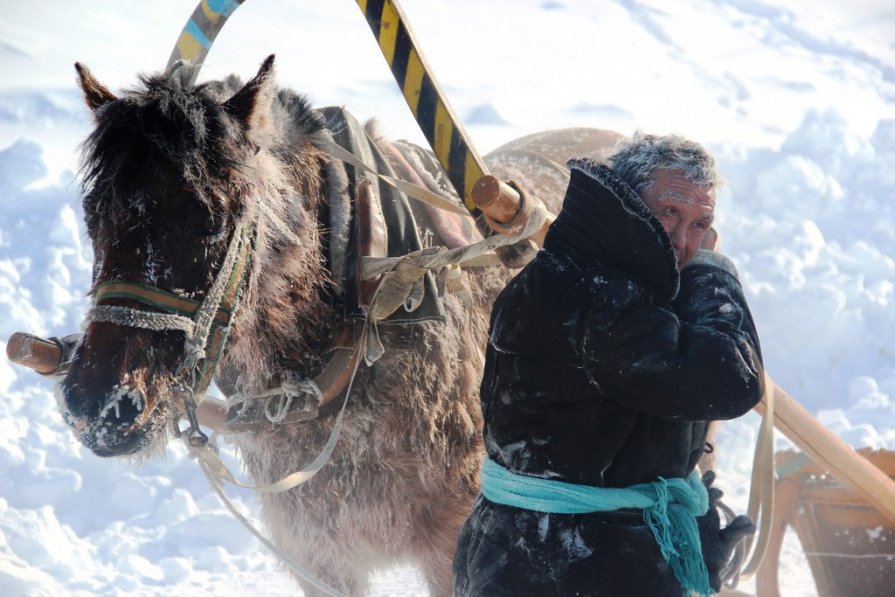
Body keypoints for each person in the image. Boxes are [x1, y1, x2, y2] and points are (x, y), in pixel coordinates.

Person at [453, 132, 764, 596]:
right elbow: (727, 380)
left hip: (557, 558)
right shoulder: (596, 296)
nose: (683, 241)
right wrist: (712, 271)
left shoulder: (600, 276)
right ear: (628, 200)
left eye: (701, 224)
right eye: (671, 212)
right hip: (564, 566)